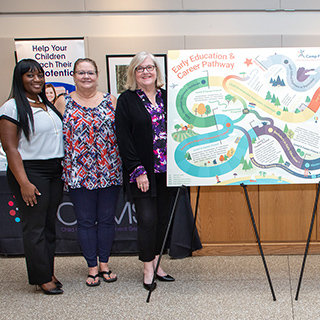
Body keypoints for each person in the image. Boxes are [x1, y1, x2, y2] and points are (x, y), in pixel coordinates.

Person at [55, 58, 122, 287]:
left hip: (109, 170)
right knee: (84, 221)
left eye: (90, 72)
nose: (86, 76)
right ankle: (91, 267)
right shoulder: (62, 102)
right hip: (78, 172)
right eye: (81, 72)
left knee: (105, 221)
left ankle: (104, 263)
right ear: (73, 76)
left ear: (97, 75)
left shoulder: (110, 100)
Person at [0, 59, 64, 295]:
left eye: (40, 75)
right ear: (20, 78)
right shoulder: (12, 107)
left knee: (48, 226)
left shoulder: (46, 103)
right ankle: (41, 278)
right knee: (34, 227)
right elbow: (11, 148)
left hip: (54, 171)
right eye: (30, 75)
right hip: (30, 171)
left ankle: (46, 271)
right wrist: (24, 182)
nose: (36, 79)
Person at [116, 52, 175, 292]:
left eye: (149, 67)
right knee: (148, 220)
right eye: (139, 68)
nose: (145, 72)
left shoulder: (168, 97)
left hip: (169, 172)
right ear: (133, 73)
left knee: (163, 220)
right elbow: (124, 138)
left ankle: (158, 263)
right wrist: (138, 170)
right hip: (143, 173)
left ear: (157, 71)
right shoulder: (127, 100)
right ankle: (147, 267)